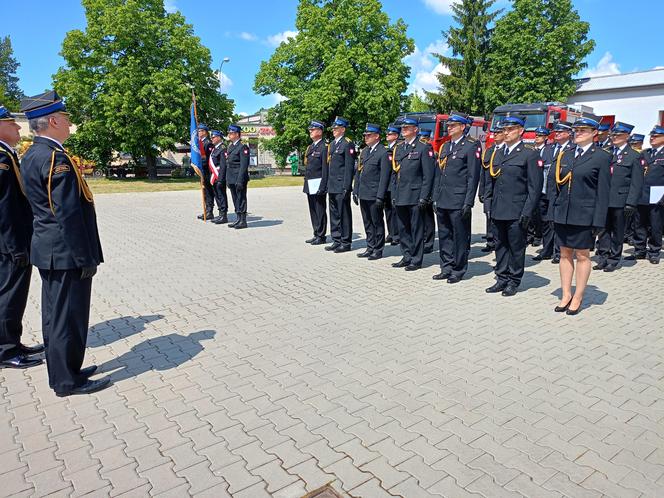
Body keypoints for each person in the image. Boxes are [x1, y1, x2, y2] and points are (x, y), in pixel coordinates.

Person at [20, 91, 107, 395]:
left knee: (58, 316)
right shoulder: (55, 158)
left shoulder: (32, 154)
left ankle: (68, 369)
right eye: (67, 119)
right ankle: (66, 381)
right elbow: (66, 215)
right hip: (65, 252)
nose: (70, 125)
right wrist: (85, 257)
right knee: (66, 318)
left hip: (51, 250)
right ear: (54, 120)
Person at [551, 117, 611, 315]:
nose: (578, 133)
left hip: (585, 214)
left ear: (595, 133)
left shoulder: (601, 156)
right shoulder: (566, 154)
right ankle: (566, 294)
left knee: (583, 255)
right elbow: (556, 185)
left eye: (583, 130)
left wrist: (599, 221)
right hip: (564, 213)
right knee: (564, 253)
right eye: (576, 130)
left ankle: (578, 296)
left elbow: (603, 192)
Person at [0, 106, 44, 369]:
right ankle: (5, 351)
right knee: (9, 295)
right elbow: (4, 208)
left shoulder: (7, 154)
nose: (18, 128)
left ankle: (12, 342)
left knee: (14, 295)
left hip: (14, 238)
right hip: (9, 241)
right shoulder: (2, 159)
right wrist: (14, 244)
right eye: (11, 124)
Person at [485, 115, 542, 296]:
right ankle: (501, 278)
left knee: (516, 247)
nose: (506, 133)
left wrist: (527, 211)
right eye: (504, 130)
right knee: (500, 245)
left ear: (521, 131)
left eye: (510, 129)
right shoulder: (498, 152)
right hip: (498, 208)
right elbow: (492, 182)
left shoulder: (529, 154)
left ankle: (513, 280)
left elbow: (535, 187)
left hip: (517, 210)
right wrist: (488, 204)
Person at [432, 113, 481, 283]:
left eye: (453, 125)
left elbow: (472, 177)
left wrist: (468, 201)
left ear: (462, 127)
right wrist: (435, 197)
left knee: (459, 236)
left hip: (459, 200)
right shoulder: (445, 147)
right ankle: (446, 267)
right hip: (443, 198)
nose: (449, 127)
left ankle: (458, 270)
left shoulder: (470, 146)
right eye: (449, 125)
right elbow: (439, 175)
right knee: (445, 235)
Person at [595, 122, 644, 271]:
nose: (614, 137)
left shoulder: (634, 156)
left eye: (618, 135)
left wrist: (631, 203)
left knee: (617, 231)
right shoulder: (606, 152)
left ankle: (614, 259)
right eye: (613, 134)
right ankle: (603, 257)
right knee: (603, 230)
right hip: (604, 200)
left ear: (627, 136)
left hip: (621, 200)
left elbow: (637, 182)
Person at [391, 117, 435, 271]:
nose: (404, 130)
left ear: (415, 129)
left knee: (416, 229)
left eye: (407, 128)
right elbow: (395, 174)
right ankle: (407, 255)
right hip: (401, 194)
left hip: (415, 195)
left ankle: (416, 259)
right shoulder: (400, 147)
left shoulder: (423, 147)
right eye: (402, 128)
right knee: (403, 228)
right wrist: (393, 194)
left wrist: (424, 196)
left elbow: (428, 175)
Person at [534, 122, 574, 263]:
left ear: (569, 133)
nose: (557, 134)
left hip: (561, 193)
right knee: (546, 222)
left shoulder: (572, 149)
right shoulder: (548, 149)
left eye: (560, 132)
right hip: (545, 191)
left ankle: (559, 252)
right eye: (556, 132)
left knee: (558, 223)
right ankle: (547, 250)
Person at [353, 123, 391, 260]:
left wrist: (380, 196)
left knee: (377, 222)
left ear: (377, 136)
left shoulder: (383, 152)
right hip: (364, 193)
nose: (366, 138)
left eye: (369, 135)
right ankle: (370, 246)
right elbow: (359, 172)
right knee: (367, 222)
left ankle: (378, 249)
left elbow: (384, 177)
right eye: (365, 135)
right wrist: (355, 190)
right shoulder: (365, 151)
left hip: (375, 194)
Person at [628, 125, 664, 264]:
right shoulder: (645, 153)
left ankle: (654, 251)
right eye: (651, 136)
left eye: (656, 136)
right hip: (641, 194)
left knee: (656, 224)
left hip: (658, 194)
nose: (652, 138)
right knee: (639, 223)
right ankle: (639, 250)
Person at [325, 117, 356, 253]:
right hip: (332, 184)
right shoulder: (332, 144)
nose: (333, 130)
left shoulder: (347, 144)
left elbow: (349, 168)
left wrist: (347, 186)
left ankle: (346, 241)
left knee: (344, 214)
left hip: (341, 185)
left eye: (336, 128)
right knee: (334, 214)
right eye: (333, 128)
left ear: (343, 129)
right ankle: (336, 239)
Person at [479, 124, 505, 253]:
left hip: (500, 190)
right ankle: (490, 241)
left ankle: (498, 241)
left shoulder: (505, 151)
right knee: (488, 215)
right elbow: (483, 172)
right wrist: (481, 191)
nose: (495, 135)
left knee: (498, 217)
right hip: (489, 189)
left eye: (498, 133)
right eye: (494, 133)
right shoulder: (489, 150)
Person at [303, 120, 328, 245]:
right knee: (312, 209)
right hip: (310, 183)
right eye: (310, 130)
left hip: (318, 184)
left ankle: (321, 235)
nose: (310, 132)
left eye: (312, 130)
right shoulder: (311, 147)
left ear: (320, 131)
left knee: (320, 209)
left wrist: (323, 185)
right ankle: (315, 232)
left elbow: (325, 169)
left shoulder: (324, 147)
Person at [528, 126, 550, 247]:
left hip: (542, 186)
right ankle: (530, 234)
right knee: (530, 212)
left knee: (540, 214)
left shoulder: (547, 150)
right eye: (536, 135)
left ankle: (538, 235)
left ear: (546, 138)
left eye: (540, 136)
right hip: (531, 185)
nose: (537, 137)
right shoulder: (531, 149)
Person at [225, 124, 250, 229]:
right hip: (231, 177)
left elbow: (244, 165)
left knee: (241, 198)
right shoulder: (231, 146)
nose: (229, 135)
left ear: (236, 134)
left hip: (239, 177)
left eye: (231, 133)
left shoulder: (243, 146)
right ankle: (238, 218)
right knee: (235, 199)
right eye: (229, 133)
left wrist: (240, 179)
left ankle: (243, 220)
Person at [418, 129, 436, 254]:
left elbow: (430, 173)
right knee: (422, 217)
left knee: (428, 217)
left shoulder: (429, 150)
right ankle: (424, 240)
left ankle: (429, 242)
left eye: (425, 138)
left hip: (428, 189)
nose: (422, 139)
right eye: (421, 137)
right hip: (420, 188)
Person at [384, 124, 400, 246]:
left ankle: (397, 234)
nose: (387, 136)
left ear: (395, 136)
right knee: (388, 210)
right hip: (386, 184)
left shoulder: (398, 148)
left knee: (395, 211)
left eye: (389, 134)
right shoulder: (386, 149)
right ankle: (391, 232)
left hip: (394, 184)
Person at [209, 130, 228, 224]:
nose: (211, 139)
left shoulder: (223, 148)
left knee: (221, 195)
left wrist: (221, 178)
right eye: (211, 137)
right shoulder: (214, 149)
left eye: (213, 137)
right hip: (214, 176)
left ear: (219, 137)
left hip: (219, 176)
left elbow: (223, 165)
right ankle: (220, 213)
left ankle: (224, 215)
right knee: (217, 195)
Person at [196, 124, 214, 221]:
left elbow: (208, 159)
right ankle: (206, 210)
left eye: (200, 131)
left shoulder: (208, 143)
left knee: (209, 192)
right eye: (198, 131)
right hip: (202, 171)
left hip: (207, 171)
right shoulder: (200, 143)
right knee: (205, 191)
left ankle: (209, 211)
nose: (198, 133)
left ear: (205, 132)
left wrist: (200, 165)